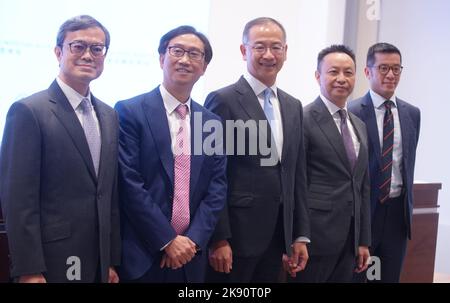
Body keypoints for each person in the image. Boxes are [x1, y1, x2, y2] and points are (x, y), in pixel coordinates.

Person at [0, 15, 120, 283]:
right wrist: (28, 269)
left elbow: (107, 195)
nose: (88, 55)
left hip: (97, 260)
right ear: (58, 52)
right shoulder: (29, 111)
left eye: (97, 48)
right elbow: (18, 200)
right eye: (78, 46)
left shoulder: (110, 116)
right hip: (51, 260)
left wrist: (110, 260)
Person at [115, 25, 227, 283]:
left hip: (191, 256)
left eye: (195, 54)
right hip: (143, 252)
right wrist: (167, 239)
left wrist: (192, 241)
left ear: (204, 67)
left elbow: (217, 187)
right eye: (177, 51)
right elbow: (129, 182)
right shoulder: (130, 111)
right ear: (162, 58)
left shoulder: (211, 122)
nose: (185, 59)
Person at [204, 17, 310, 283]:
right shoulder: (221, 100)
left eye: (276, 47)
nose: (268, 55)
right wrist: (218, 237)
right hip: (236, 239)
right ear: (244, 51)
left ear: (286, 51)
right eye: (260, 47)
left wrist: (299, 234)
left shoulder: (293, 105)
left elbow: (295, 174)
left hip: (278, 239)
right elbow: (211, 175)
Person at [288, 45, 371, 283]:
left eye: (348, 72)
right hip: (314, 238)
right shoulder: (302, 118)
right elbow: (296, 184)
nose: (342, 79)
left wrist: (363, 239)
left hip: (350, 242)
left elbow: (362, 186)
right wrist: (299, 236)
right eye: (334, 72)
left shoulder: (359, 125)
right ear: (318, 76)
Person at [349, 43, 421, 283]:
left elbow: (406, 164)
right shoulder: (351, 112)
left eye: (396, 68)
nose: (391, 75)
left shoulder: (412, 113)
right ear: (368, 72)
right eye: (383, 68)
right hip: (364, 214)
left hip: (397, 215)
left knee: (388, 278)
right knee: (360, 278)